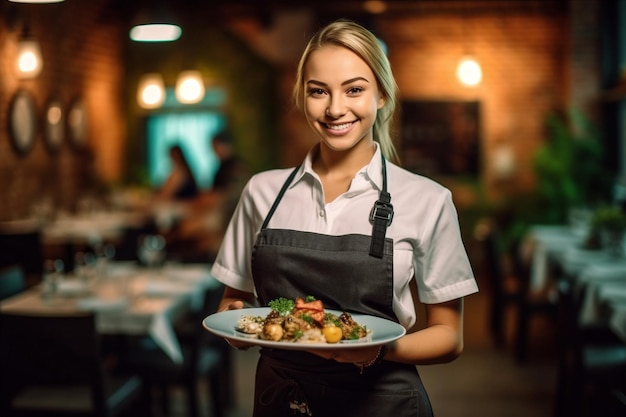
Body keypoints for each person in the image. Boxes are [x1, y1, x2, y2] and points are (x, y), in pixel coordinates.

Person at [210, 19, 479, 417]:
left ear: (382, 95)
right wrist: (238, 323)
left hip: (383, 403)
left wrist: (377, 349)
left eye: (354, 90)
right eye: (319, 91)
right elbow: (232, 303)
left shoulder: (428, 200)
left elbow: (449, 337)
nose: (336, 109)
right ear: (303, 97)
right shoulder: (261, 192)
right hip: (280, 400)